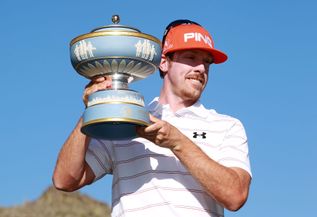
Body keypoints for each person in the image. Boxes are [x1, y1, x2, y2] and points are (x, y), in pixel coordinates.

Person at [53, 19, 252, 217]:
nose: (201, 68)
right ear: (164, 63)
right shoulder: (128, 118)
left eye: (207, 62)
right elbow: (65, 180)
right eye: (191, 57)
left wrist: (177, 142)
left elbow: (235, 196)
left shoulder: (227, 126)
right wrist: (93, 108)